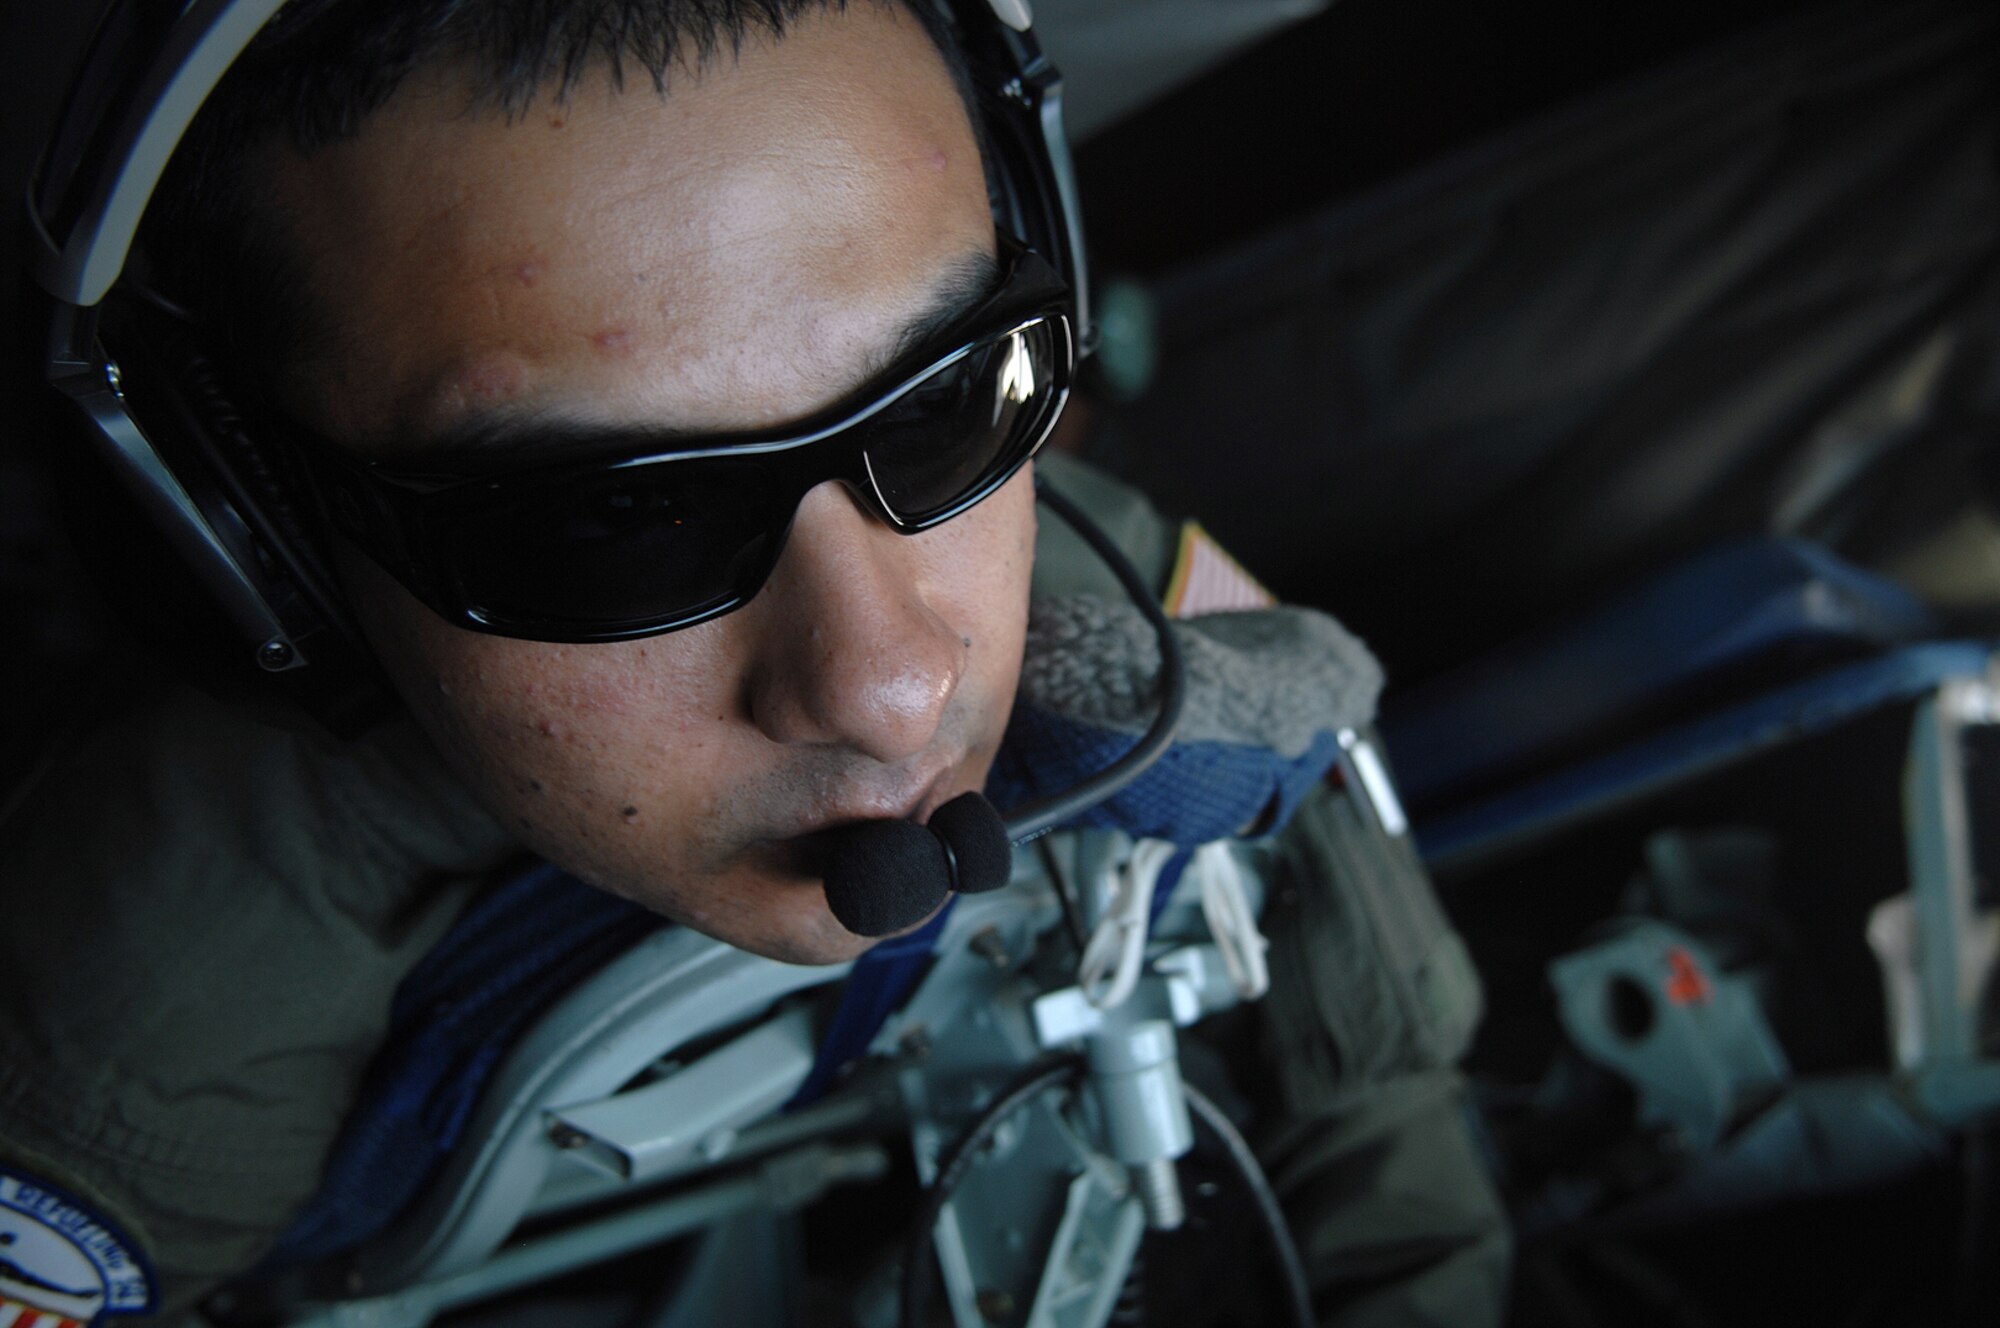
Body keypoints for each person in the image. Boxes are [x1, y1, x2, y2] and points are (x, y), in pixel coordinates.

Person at [1, 0, 1508, 1322]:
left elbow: (1370, 1052)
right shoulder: (120, 1036)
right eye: (611, 524)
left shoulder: (1134, 614)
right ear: (254, 535)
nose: (891, 686)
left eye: (946, 403)